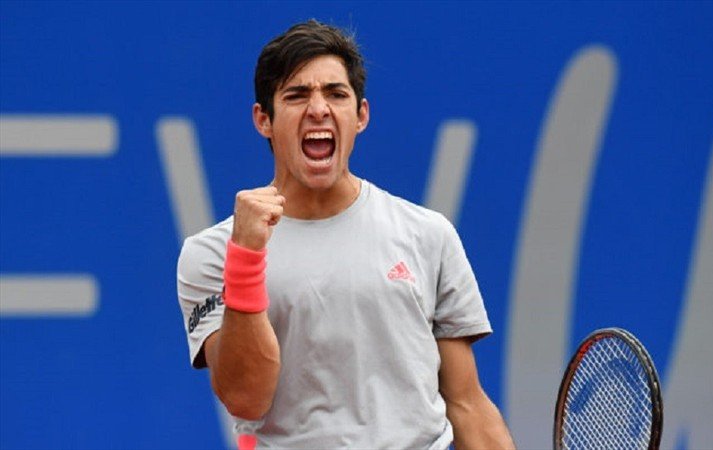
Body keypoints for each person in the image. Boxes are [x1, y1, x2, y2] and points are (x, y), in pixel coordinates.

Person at [177, 19, 516, 449]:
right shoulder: (212, 253)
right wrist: (245, 259)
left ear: (361, 116)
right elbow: (246, 398)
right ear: (263, 119)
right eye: (297, 95)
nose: (318, 109)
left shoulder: (429, 235)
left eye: (335, 94)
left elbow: (467, 403)